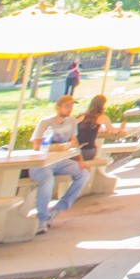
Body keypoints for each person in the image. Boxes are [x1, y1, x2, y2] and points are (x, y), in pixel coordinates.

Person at [29, 95, 92, 232]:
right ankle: (42, 218)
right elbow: (36, 145)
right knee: (47, 180)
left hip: (61, 161)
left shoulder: (71, 121)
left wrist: (80, 160)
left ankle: (58, 209)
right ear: (58, 107)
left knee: (84, 173)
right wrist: (56, 147)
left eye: (71, 106)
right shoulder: (45, 122)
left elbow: (74, 142)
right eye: (67, 106)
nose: (70, 109)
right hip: (43, 163)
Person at [76, 95, 124, 166]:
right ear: (102, 106)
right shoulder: (102, 117)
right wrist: (121, 128)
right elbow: (113, 131)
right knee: (97, 147)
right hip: (88, 152)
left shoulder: (82, 116)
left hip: (76, 151)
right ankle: (98, 169)